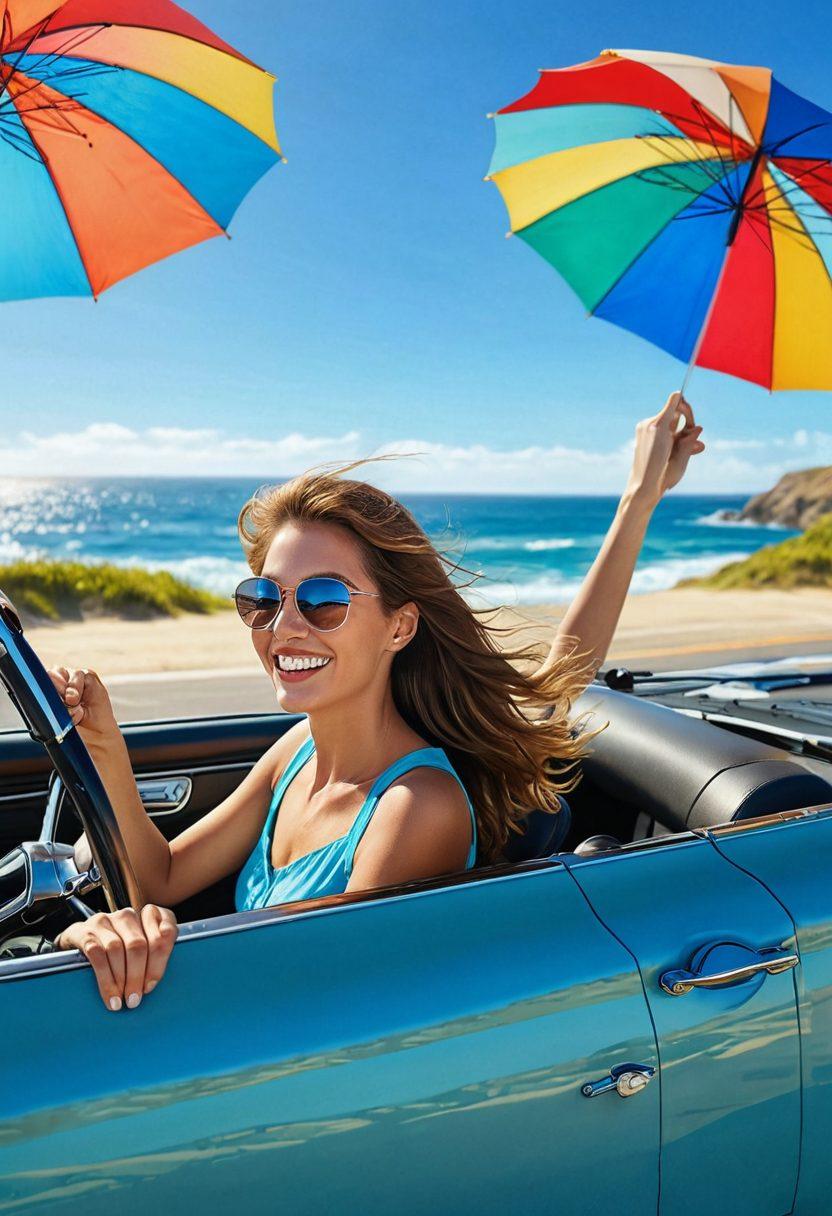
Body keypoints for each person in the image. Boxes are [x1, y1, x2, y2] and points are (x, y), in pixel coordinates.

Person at [50, 392, 704, 1011]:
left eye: (324, 599)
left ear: (400, 625)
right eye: (263, 597)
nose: (284, 626)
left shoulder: (415, 810)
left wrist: (118, 947)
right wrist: (105, 751)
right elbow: (157, 880)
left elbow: (300, 993)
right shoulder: (296, 753)